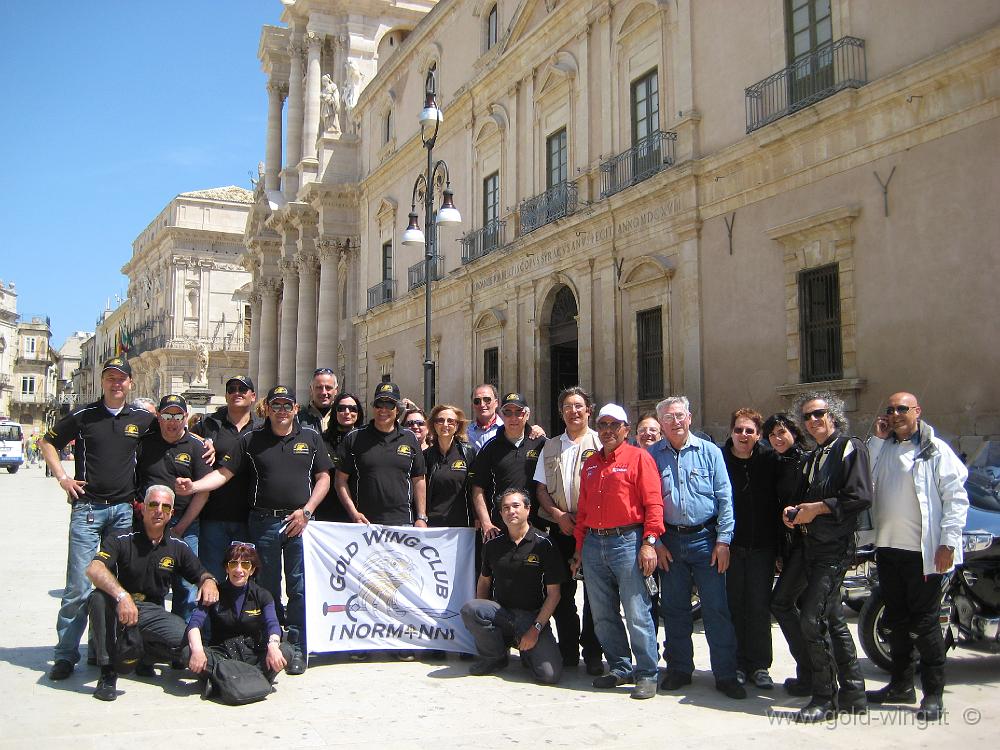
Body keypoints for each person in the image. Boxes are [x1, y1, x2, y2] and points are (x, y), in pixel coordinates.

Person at [176, 385, 332, 676]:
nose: (282, 410)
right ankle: (267, 644)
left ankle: (296, 648)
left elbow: (324, 477)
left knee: (299, 588)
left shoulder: (311, 438)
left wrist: (307, 510)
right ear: (267, 409)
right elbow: (224, 473)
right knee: (266, 589)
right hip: (264, 523)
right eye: (276, 405)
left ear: (295, 409)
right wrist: (194, 486)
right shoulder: (251, 439)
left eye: (287, 405)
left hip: (301, 522)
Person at [39, 357, 156, 681]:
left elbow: (175, 430)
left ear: (130, 383)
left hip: (122, 514)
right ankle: (65, 654)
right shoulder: (84, 416)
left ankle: (100, 649)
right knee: (78, 585)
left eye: (121, 379)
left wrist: (204, 443)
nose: (116, 384)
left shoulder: (143, 419)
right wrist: (63, 477)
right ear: (103, 382)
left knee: (113, 586)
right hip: (89, 510)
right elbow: (47, 441)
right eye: (110, 378)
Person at [865, 392, 969, 721]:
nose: (895, 414)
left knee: (924, 625)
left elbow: (956, 498)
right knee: (895, 621)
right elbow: (864, 475)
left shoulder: (935, 450)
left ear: (917, 412)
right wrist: (878, 440)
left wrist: (948, 543)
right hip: (888, 548)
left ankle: (933, 692)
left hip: (923, 553)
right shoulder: (885, 449)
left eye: (902, 409)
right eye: (890, 409)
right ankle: (901, 684)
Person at [783, 391, 871, 722]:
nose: (813, 421)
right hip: (810, 546)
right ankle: (854, 692)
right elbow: (807, 498)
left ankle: (825, 697)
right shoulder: (814, 456)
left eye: (819, 414)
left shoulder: (850, 448)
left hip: (833, 549)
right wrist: (793, 512)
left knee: (812, 619)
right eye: (807, 417)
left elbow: (860, 496)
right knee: (828, 616)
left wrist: (817, 509)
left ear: (832, 415)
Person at [649, 396, 745, 700]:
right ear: (661, 424)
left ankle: (726, 673)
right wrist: (657, 542)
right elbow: (646, 504)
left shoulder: (710, 453)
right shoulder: (651, 456)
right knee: (675, 609)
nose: (675, 422)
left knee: (716, 609)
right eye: (668, 418)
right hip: (671, 543)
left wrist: (723, 541)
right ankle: (679, 668)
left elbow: (725, 498)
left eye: (679, 416)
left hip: (706, 540)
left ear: (689, 418)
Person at [85, 485, 219, 701]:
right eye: (154, 505)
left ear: (171, 513)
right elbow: (94, 569)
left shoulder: (177, 545)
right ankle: (108, 672)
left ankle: (145, 657)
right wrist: (122, 596)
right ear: (143, 508)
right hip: (119, 609)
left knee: (186, 641)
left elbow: (201, 573)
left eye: (166, 507)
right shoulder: (121, 538)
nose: (159, 510)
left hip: (151, 614)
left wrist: (209, 582)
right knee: (98, 599)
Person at [570, 404, 664, 700]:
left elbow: (653, 503)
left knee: (637, 612)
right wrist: (578, 550)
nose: (608, 430)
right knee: (601, 613)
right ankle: (620, 666)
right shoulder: (591, 464)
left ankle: (647, 672)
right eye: (603, 425)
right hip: (595, 545)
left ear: (626, 429)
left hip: (628, 542)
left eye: (614, 425)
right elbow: (583, 510)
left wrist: (649, 543)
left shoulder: (639, 458)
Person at [333, 381, 427, 661]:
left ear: (398, 409)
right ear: (372, 407)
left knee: (398, 586)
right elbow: (341, 481)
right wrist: (353, 513)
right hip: (366, 527)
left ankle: (398, 642)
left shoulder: (409, 439)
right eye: (379, 404)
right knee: (367, 586)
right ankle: (363, 641)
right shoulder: (355, 439)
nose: (384, 409)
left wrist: (421, 517)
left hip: (401, 524)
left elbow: (419, 479)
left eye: (390, 405)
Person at [533, 386, 603, 674]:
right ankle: (569, 650)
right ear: (561, 413)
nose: (573, 412)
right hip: (560, 529)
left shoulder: (601, 443)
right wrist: (558, 514)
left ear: (589, 410)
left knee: (595, 597)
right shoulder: (550, 446)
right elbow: (540, 488)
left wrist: (584, 522)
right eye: (567, 407)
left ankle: (594, 653)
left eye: (579, 406)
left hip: (594, 531)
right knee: (562, 592)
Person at [461, 489, 564, 684]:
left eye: (516, 506)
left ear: (528, 509)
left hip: (532, 618)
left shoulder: (545, 544)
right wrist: (487, 618)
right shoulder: (493, 545)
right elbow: (484, 581)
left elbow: (554, 595)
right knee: (471, 609)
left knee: (549, 676)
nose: (511, 511)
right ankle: (495, 657)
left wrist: (535, 629)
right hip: (502, 614)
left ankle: (526, 649)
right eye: (506, 508)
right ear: (500, 514)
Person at [135, 394, 212, 620]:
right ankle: (151, 635)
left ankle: (184, 639)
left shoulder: (198, 447)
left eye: (177, 415)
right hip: (149, 524)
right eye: (167, 415)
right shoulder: (144, 443)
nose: (172, 420)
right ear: (158, 417)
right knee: (149, 581)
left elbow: (203, 493)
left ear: (185, 417)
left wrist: (182, 526)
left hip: (184, 523)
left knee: (186, 585)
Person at [186, 541, 295, 695]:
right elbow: (194, 624)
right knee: (187, 651)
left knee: (286, 650)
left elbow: (273, 624)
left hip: (253, 654)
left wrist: (273, 646)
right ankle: (259, 680)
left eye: (245, 565)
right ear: (226, 567)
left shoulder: (262, 595)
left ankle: (220, 682)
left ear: (252, 570)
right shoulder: (214, 592)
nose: (239, 570)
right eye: (233, 564)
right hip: (222, 656)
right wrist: (197, 650)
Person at [721, 407, 780, 689]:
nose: (743, 435)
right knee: (733, 606)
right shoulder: (719, 459)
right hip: (730, 547)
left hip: (762, 547)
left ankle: (759, 666)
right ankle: (737, 663)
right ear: (731, 432)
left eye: (749, 431)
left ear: (758, 435)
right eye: (738, 430)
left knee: (758, 606)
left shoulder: (770, 460)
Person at [763, 412, 816, 696]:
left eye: (781, 432)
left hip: (809, 544)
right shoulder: (777, 462)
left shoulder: (805, 461)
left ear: (793, 432)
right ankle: (810, 674)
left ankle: (812, 672)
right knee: (804, 610)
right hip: (791, 545)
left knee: (782, 603)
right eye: (772, 435)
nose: (777, 438)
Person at [190, 375, 263, 578]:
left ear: (253, 396)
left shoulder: (262, 428)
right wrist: (202, 440)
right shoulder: (210, 424)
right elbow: (185, 438)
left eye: (242, 389)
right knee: (212, 576)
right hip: (214, 514)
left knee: (244, 578)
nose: (237, 392)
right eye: (232, 389)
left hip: (249, 517)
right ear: (226, 395)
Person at [469, 392, 546, 540]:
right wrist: (486, 523)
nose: (513, 418)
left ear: (527, 415)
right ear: (501, 415)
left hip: (535, 526)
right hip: (499, 528)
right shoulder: (490, 448)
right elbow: (477, 488)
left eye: (519, 412)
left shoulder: (541, 443)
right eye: (508, 412)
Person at [424, 404, 476, 528]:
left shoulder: (468, 453)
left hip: (462, 524)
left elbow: (475, 488)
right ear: (434, 425)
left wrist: (477, 516)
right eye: (440, 420)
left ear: (457, 425)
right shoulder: (426, 456)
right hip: (432, 524)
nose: (445, 424)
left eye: (451, 421)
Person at [316, 392, 364, 522]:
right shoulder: (322, 440)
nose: (347, 412)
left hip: (359, 509)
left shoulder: (366, 439)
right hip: (327, 508)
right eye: (341, 408)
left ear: (358, 412)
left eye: (352, 409)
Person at [468, 383, 545, 454]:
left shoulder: (511, 427)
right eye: (477, 401)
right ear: (472, 405)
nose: (482, 404)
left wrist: (538, 433)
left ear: (496, 403)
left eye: (487, 400)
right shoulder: (465, 433)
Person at [297, 368, 339, 435]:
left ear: (336, 390)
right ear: (311, 390)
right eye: (319, 387)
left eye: (328, 387)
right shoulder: (298, 418)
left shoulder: (343, 417)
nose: (324, 392)